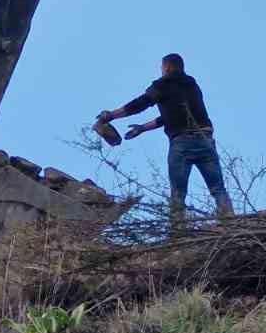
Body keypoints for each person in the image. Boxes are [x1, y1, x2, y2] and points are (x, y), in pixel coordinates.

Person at [97, 53, 234, 225]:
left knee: (178, 193)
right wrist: (142, 128)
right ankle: (230, 223)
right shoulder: (192, 86)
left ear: (167, 67)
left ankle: (178, 232)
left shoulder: (163, 84)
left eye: (162, 67)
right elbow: (170, 116)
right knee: (218, 189)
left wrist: (111, 115)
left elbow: (140, 104)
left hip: (182, 144)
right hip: (205, 141)